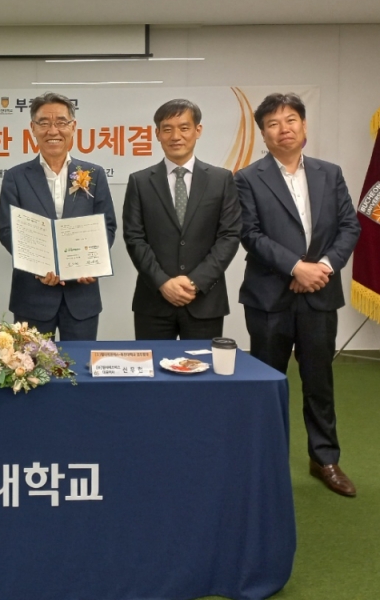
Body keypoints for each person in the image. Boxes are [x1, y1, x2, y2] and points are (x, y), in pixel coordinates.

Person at [235, 93, 361, 497]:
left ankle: (325, 459)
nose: (283, 129)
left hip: (319, 295)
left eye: (291, 120)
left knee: (319, 381)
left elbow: (350, 227)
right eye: (273, 123)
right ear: (263, 134)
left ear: (304, 126)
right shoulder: (247, 178)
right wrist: (295, 267)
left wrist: (322, 268)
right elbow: (250, 234)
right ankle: (264, 461)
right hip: (269, 297)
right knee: (268, 382)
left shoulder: (330, 173)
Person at [0, 92, 116, 341]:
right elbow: (8, 230)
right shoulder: (16, 177)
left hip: (81, 296)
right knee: (31, 364)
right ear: (32, 128)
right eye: (44, 123)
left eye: (61, 122)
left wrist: (90, 263)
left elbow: (107, 226)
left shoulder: (94, 174)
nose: (53, 130)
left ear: (73, 127)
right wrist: (37, 267)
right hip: (32, 295)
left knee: (80, 364)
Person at [123, 99, 241, 340]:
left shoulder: (221, 179)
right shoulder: (140, 181)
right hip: (154, 301)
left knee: (201, 364)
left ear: (198, 130)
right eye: (167, 129)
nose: (176, 136)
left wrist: (195, 282)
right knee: (153, 364)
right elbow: (134, 237)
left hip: (204, 300)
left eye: (184, 128)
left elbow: (229, 236)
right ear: (157, 134)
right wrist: (163, 283)